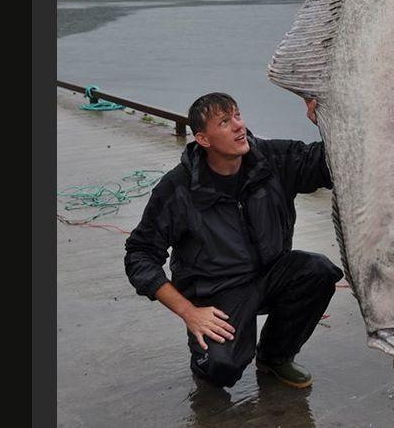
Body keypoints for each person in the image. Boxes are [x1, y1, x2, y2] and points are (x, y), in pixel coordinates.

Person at [124, 92, 343, 389]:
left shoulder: (271, 160)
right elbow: (140, 254)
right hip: (217, 292)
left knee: (318, 271)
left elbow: (330, 163)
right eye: (225, 122)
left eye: (238, 116)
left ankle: (274, 358)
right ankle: (208, 358)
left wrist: (330, 121)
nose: (239, 126)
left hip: (270, 275)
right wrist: (189, 312)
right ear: (203, 139)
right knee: (221, 370)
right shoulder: (178, 188)